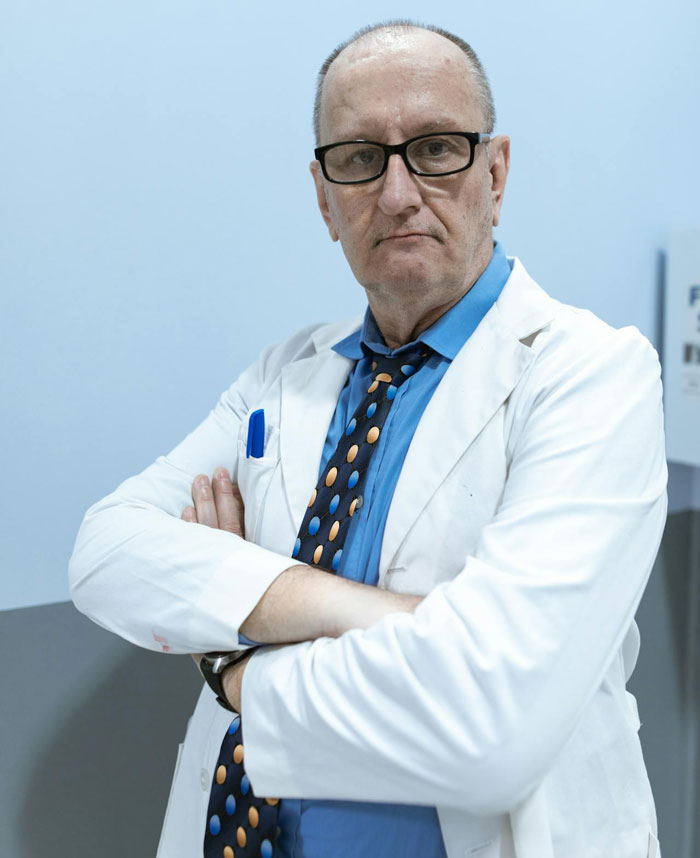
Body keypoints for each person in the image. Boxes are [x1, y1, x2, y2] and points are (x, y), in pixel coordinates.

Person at [69, 19, 667, 858]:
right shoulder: (282, 377)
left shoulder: (592, 376)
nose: (396, 194)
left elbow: (489, 727)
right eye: (358, 159)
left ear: (495, 174)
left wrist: (235, 666)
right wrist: (376, 617)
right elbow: (105, 552)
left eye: (435, 149)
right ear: (324, 199)